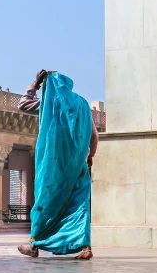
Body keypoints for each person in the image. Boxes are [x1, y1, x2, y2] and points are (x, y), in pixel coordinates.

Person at [17, 69, 98, 260]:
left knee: (45, 200)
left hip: (52, 167)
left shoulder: (49, 103)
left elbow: (23, 105)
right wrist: (90, 156)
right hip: (78, 165)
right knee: (80, 204)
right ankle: (85, 247)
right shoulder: (83, 105)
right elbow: (93, 136)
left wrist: (34, 85)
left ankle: (35, 244)